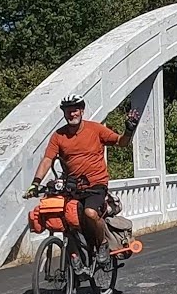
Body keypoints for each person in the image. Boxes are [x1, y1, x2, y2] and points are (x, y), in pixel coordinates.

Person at [24, 93, 140, 270]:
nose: (72, 114)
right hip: (72, 187)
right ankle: (75, 259)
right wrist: (36, 182)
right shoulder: (59, 136)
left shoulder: (96, 130)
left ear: (82, 111)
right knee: (64, 220)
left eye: (75, 110)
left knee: (90, 213)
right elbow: (48, 159)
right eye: (68, 111)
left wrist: (129, 130)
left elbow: (121, 143)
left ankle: (102, 244)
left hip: (96, 185)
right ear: (64, 113)